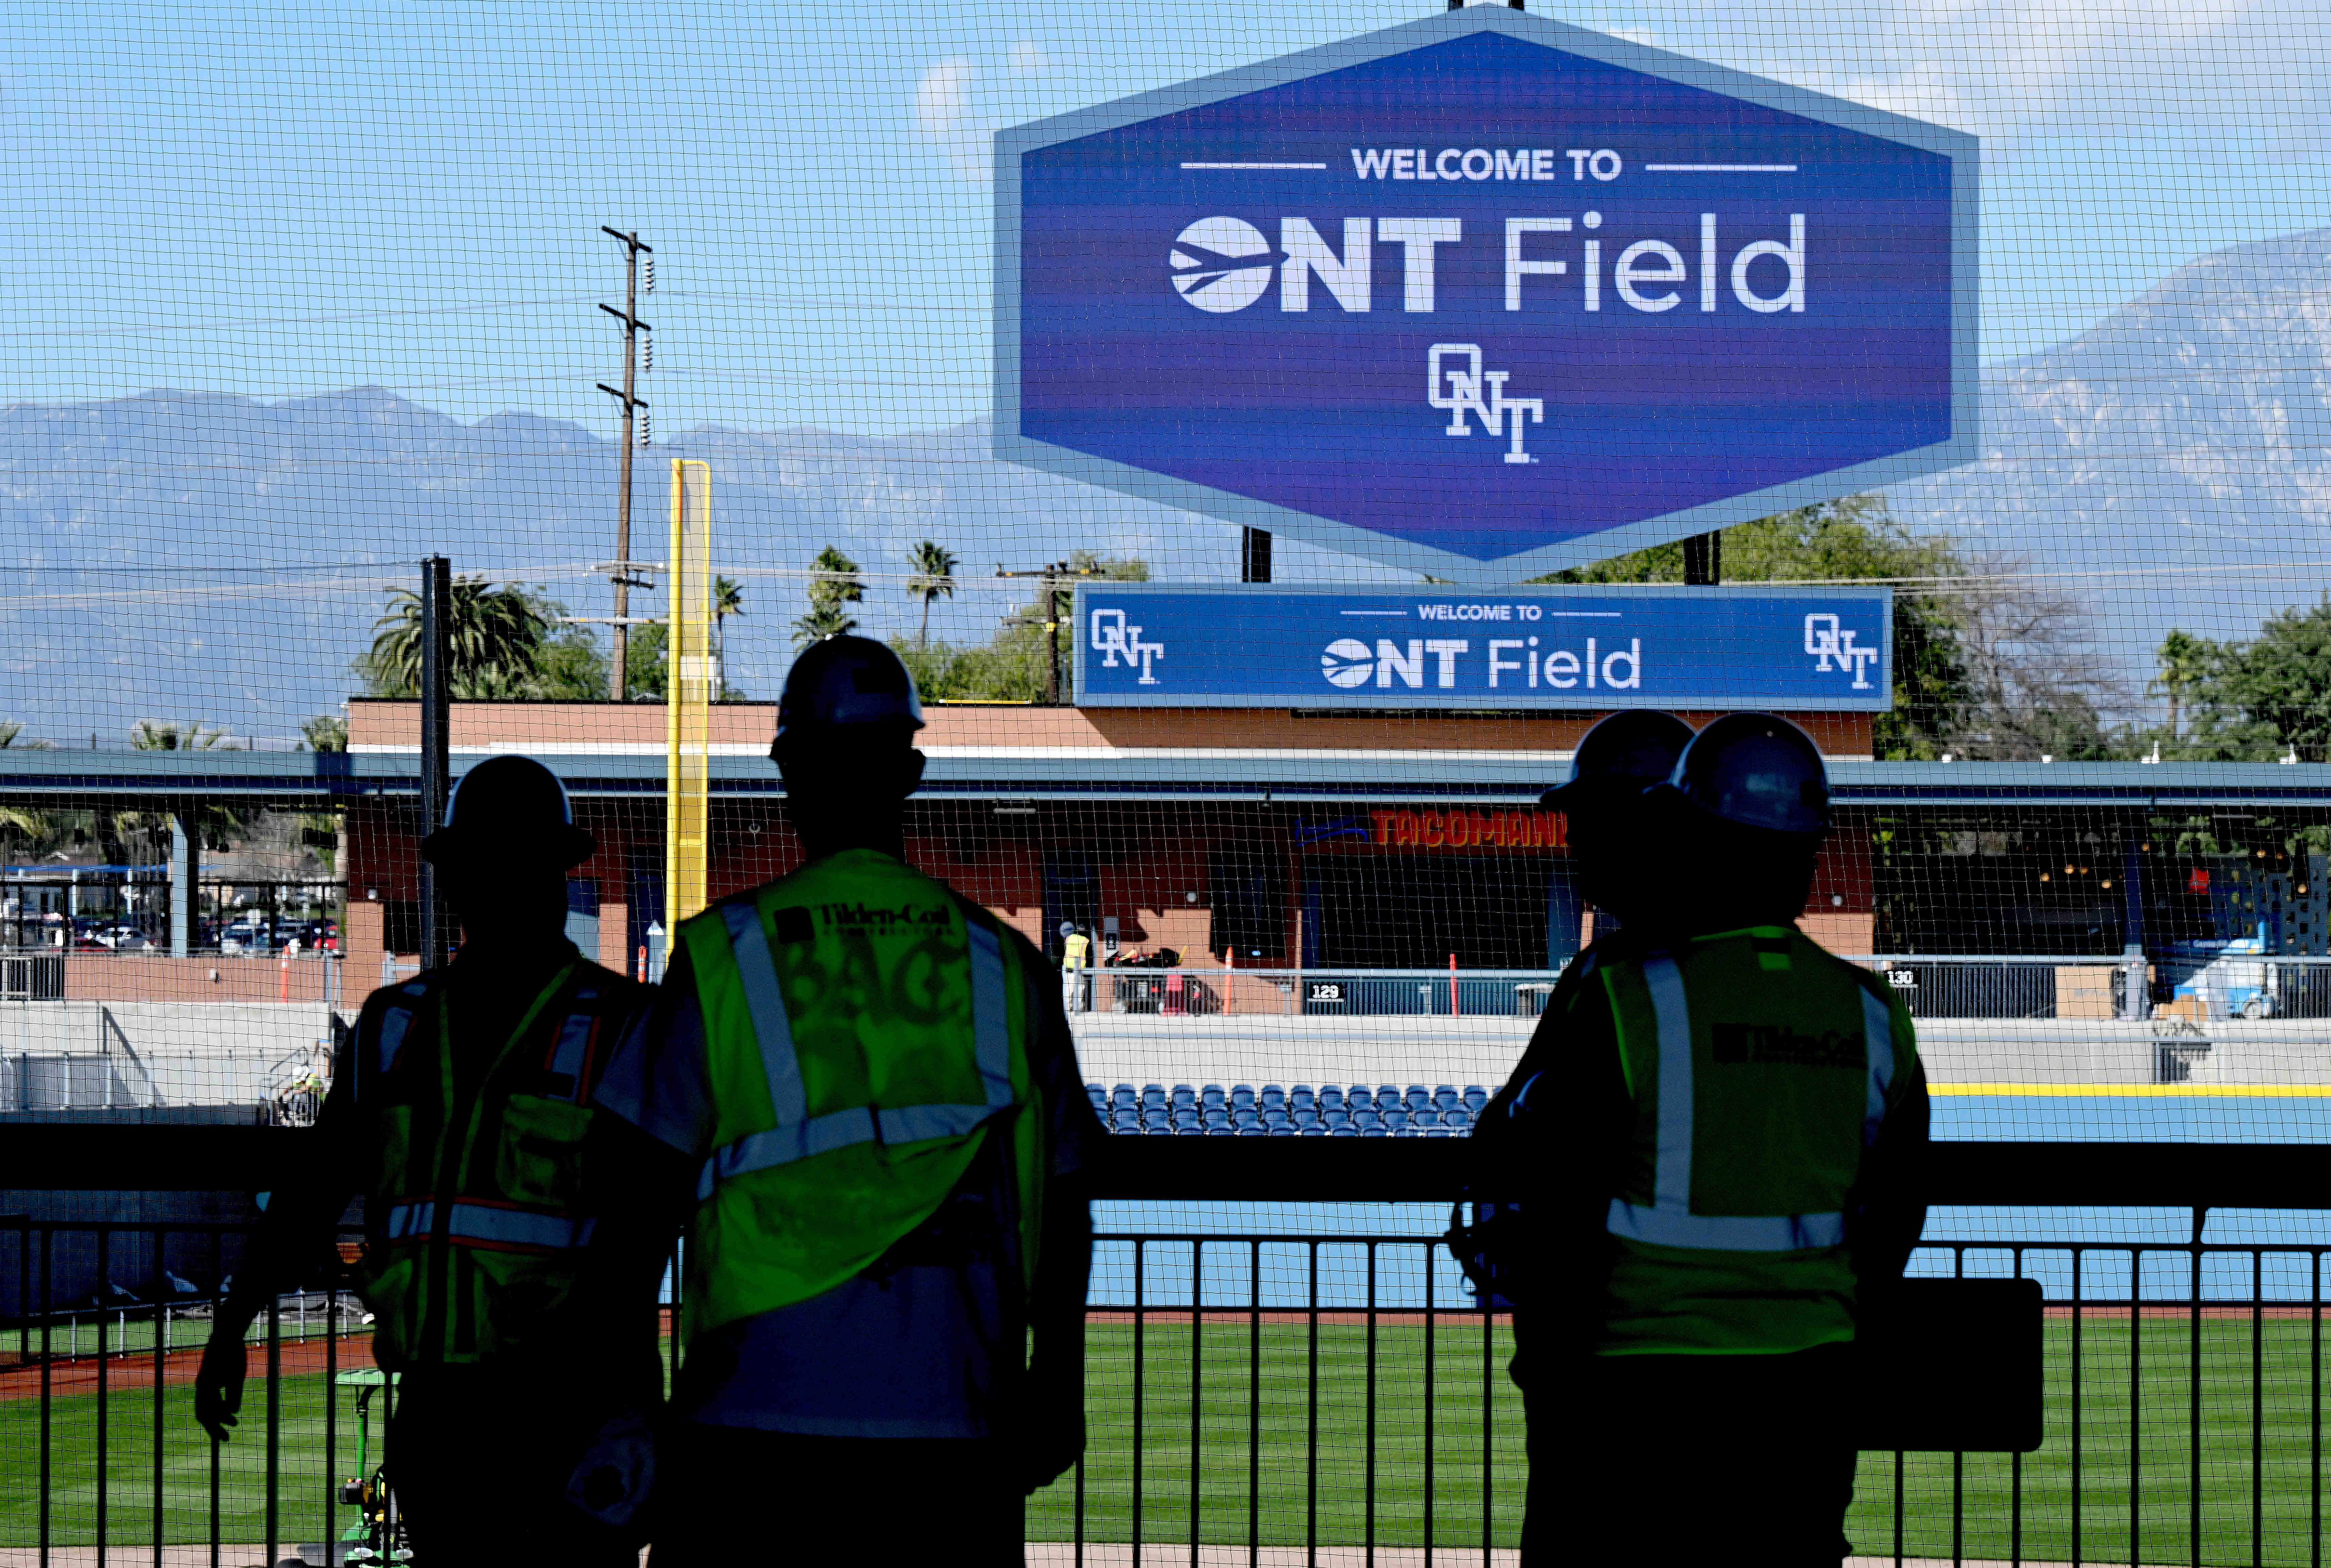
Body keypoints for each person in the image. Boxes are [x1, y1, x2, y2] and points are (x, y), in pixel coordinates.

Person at [592, 634, 1101, 1565]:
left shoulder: (721, 959)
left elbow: (630, 1217)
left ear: (789, 769)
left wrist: (627, 1408)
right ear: (910, 769)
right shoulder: (1007, 968)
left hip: (750, 1424)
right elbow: (1068, 1202)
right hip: (955, 1431)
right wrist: (1056, 1387)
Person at [1480, 713, 1929, 1567]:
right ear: (1807, 852)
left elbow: (1551, 1182)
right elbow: (1897, 1208)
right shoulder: (1873, 1014)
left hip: (1633, 1384)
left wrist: (1555, 1353)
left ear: (1686, 831)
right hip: (1808, 1388)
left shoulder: (1623, 995)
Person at [194, 756, 661, 1568]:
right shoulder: (393, 1024)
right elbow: (313, 1188)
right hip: (442, 1415)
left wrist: (635, 1412)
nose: (501, 881)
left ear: (555, 874)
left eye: (518, 862)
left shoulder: (621, 1024)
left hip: (572, 1411)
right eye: (488, 863)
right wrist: (232, 1323)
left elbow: (643, 1233)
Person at [1059, 920, 1092, 1014]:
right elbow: (1089, 956)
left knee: (1069, 989)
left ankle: (1068, 1008)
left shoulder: (1069, 939)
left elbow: (1062, 950)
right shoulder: (1086, 941)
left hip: (1068, 968)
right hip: (1080, 970)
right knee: (1080, 989)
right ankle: (1079, 1009)